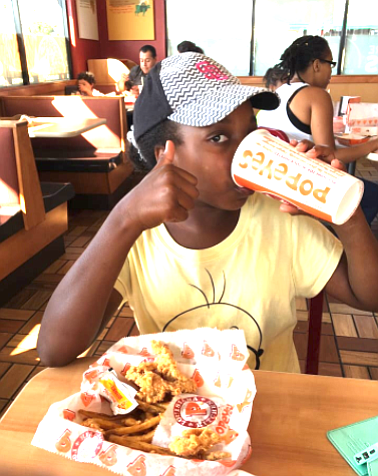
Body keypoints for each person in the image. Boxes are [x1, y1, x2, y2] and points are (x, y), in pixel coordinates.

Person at [37, 52, 378, 374]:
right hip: (179, 422)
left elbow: (368, 296)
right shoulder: (138, 236)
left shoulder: (279, 218)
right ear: (163, 156)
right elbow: (55, 349)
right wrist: (122, 221)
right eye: (218, 137)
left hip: (272, 410)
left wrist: (342, 212)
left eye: (249, 132)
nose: (246, 150)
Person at [257, 35, 378, 225]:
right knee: (372, 196)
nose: (332, 70)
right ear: (316, 65)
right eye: (330, 63)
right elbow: (333, 157)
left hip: (274, 180)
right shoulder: (317, 95)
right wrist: (373, 144)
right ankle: (339, 240)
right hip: (303, 186)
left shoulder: (279, 91)